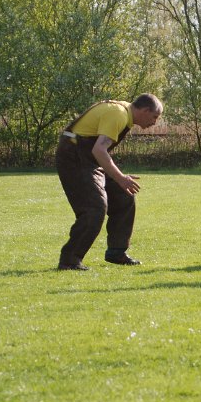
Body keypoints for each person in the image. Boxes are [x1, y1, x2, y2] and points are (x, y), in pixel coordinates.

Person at [55, 94, 163, 270]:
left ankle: (116, 252)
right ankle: (69, 260)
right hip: (74, 156)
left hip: (85, 156)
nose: (155, 122)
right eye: (154, 117)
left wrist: (121, 181)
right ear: (144, 110)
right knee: (94, 208)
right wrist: (120, 178)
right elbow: (99, 150)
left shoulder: (123, 113)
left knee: (123, 197)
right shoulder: (118, 114)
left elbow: (96, 151)